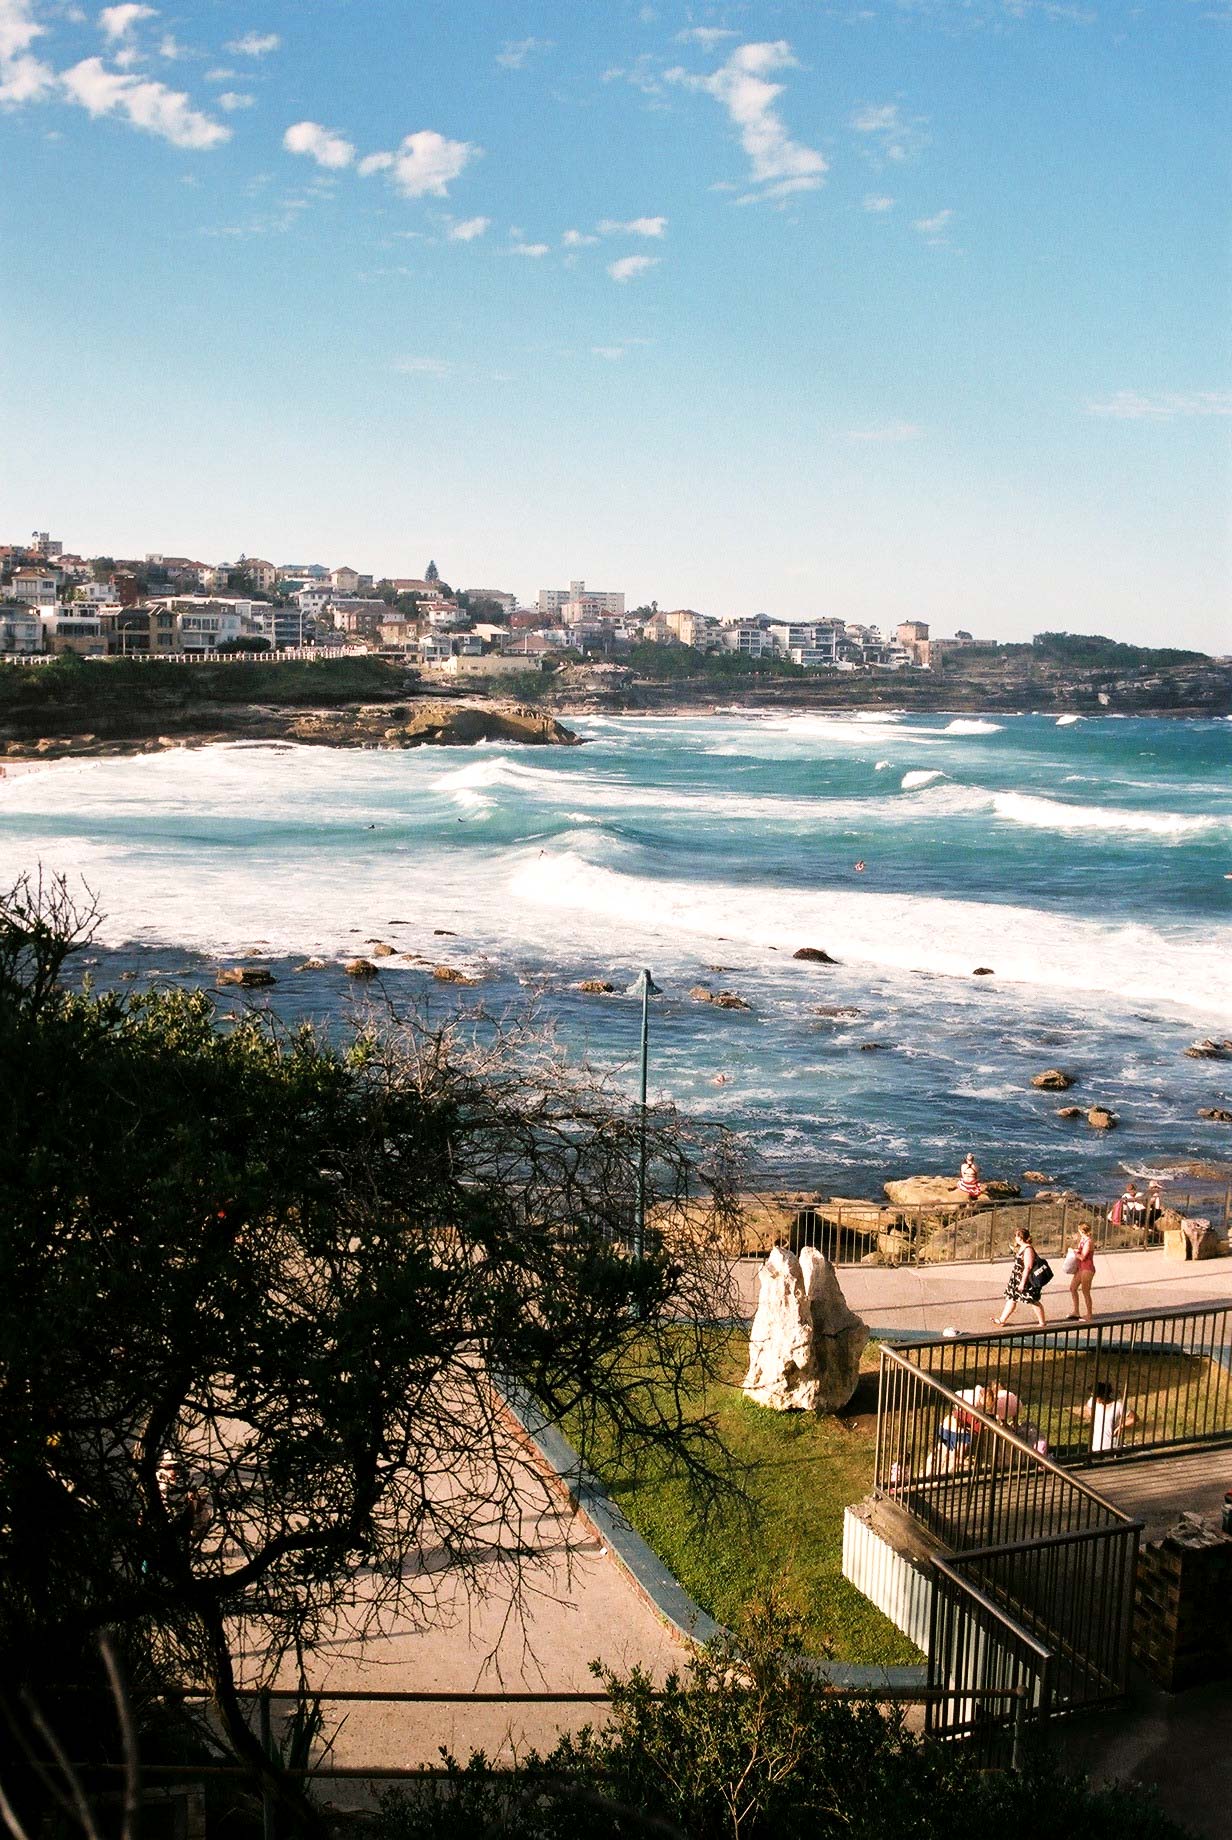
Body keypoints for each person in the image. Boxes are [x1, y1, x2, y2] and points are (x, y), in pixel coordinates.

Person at [993, 1225, 1050, 1328]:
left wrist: (1022, 1283)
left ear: (1021, 1237)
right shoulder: (1022, 1247)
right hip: (1016, 1278)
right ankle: (1002, 1320)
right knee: (1011, 1298)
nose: (1015, 1238)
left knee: (1033, 1300)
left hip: (1026, 1280)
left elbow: (1028, 1267)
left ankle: (1042, 1322)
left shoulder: (1028, 1249)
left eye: (1017, 1236)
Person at [1082, 1379, 1136, 1453]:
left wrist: (1120, 1427)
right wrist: (1093, 1415)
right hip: (1096, 1447)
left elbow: (1134, 1418)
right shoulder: (1093, 1402)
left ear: (1103, 1395)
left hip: (1111, 1447)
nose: (1093, 1398)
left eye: (1096, 1396)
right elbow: (1088, 1406)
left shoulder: (1118, 1406)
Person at [1064, 1221, 1096, 1321]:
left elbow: (1083, 1257)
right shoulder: (1083, 1240)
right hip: (1080, 1268)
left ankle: (1089, 1314)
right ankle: (1076, 1311)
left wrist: (1074, 1253)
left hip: (1087, 1268)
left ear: (1081, 1230)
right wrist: (1075, 1251)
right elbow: (1080, 1251)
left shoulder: (1089, 1242)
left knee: (1085, 1291)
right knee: (1073, 1288)